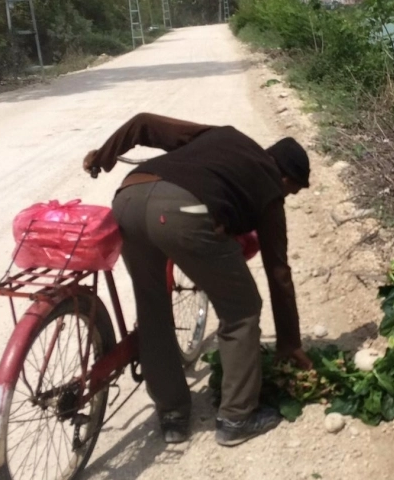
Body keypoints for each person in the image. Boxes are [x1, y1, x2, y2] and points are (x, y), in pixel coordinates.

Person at [82, 112, 313, 446]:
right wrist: (289, 342)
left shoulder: (224, 135)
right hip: (182, 214)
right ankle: (236, 418)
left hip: (129, 198)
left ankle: (172, 415)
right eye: (294, 191)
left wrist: (102, 157)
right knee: (243, 308)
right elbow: (279, 271)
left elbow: (143, 122)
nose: (289, 197)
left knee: (151, 308)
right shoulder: (271, 188)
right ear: (287, 179)